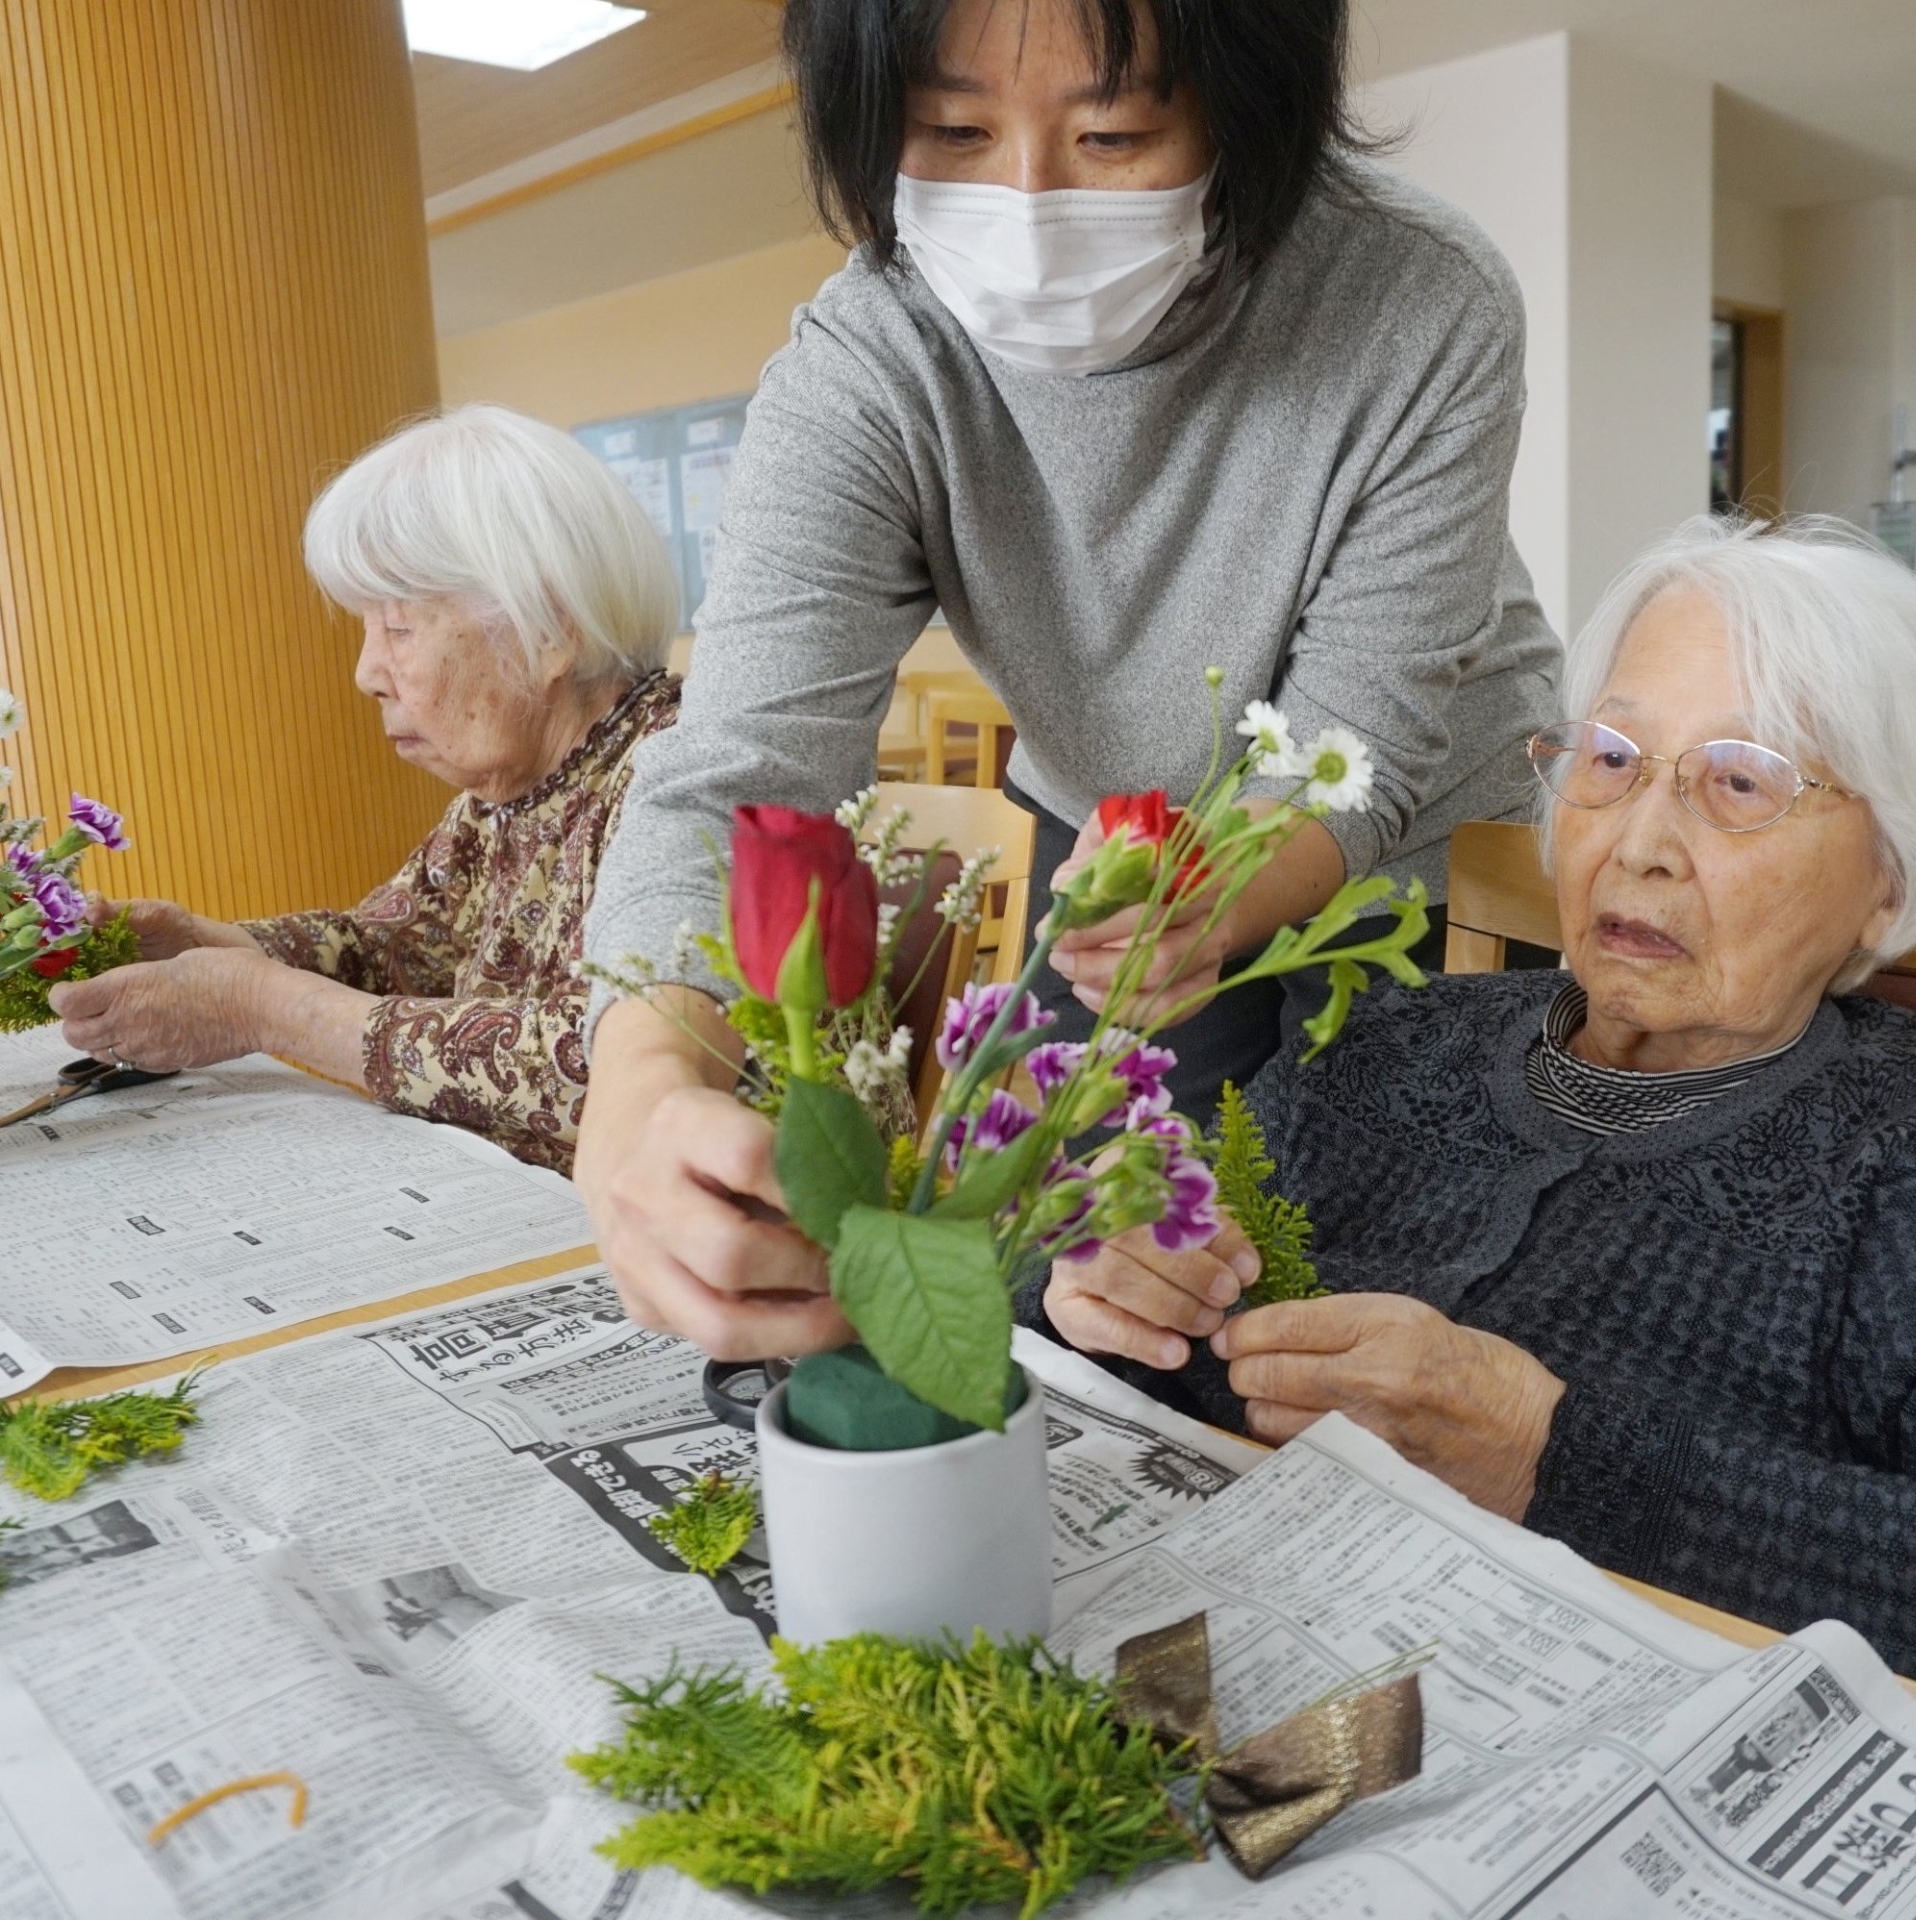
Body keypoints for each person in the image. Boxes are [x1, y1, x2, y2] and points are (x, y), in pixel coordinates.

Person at [1035, 516, 1916, 1759]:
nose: (1637, 844)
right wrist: (1099, 1286)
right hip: (1190, 1694)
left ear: (1893, 869)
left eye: (1740, 783)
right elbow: (1099, 1355)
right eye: (1609, 759)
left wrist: (1554, 1458)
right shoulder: (1390, 1041)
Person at [575, 0, 1558, 1350]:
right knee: (1063, 1268)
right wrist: (634, 1090)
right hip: (1112, 840)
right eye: (952, 129)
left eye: (1113, 132)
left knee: (1378, 1275)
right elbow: (739, 773)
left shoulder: (1418, 297)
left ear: (1244, 110)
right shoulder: (870, 367)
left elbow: (1357, 742)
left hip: (1412, 847)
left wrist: (1214, 902)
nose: (1027, 207)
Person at [49, 405, 682, 1174]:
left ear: (547, 629)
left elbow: (610, 1065)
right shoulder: (506, 792)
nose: (365, 673)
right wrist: (217, 946)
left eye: (400, 629)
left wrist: (263, 1007)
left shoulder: (680, 777)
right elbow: (402, 945)